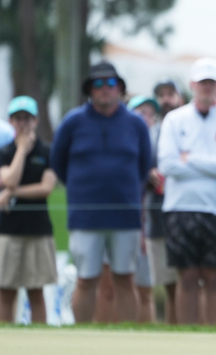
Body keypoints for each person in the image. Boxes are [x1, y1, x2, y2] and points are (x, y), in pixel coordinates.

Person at [51, 61, 151, 324]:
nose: (105, 89)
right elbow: (58, 163)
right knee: (86, 278)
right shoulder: (73, 122)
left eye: (110, 83)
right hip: (86, 217)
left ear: (119, 88)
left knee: (125, 278)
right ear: (89, 89)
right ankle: (82, 335)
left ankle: (128, 334)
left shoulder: (136, 124)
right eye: (98, 84)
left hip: (125, 216)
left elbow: (144, 166)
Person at [158, 58, 216, 325]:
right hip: (179, 208)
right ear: (192, 84)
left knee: (215, 277)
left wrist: (190, 159)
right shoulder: (175, 119)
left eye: (211, 82)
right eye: (201, 82)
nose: (206, 87)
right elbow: (167, 165)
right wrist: (215, 161)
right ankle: (188, 338)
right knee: (186, 277)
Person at [0, 97, 58, 324]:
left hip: (38, 230)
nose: (22, 123)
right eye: (17, 118)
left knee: (36, 291)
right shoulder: (5, 152)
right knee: (5, 291)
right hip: (7, 231)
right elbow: (10, 179)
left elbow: (45, 188)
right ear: (11, 121)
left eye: (27, 118)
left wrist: (12, 194)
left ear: (35, 120)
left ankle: (40, 339)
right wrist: (22, 151)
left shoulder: (47, 151)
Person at [148, 79, 184, 323]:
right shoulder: (149, 132)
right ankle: (174, 332)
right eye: (161, 95)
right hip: (158, 213)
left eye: (170, 94)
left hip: (187, 210)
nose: (166, 100)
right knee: (169, 284)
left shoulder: (190, 125)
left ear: (180, 97)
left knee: (190, 280)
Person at [128, 94, 162, 322]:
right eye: (141, 113)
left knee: (144, 286)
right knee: (117, 284)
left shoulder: (159, 146)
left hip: (146, 227)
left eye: (151, 114)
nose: (147, 118)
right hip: (123, 223)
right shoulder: (125, 144)